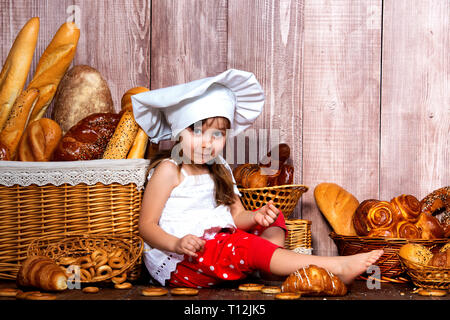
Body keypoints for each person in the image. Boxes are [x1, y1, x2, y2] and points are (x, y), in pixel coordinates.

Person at [132, 69, 383, 288]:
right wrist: (176, 244)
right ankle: (334, 267)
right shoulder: (170, 169)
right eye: (196, 131)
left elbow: (235, 217)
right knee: (244, 246)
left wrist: (256, 216)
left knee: (276, 218)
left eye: (217, 134)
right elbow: (147, 226)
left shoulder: (218, 168)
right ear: (178, 130)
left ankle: (267, 263)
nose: (207, 142)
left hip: (219, 249)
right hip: (183, 263)